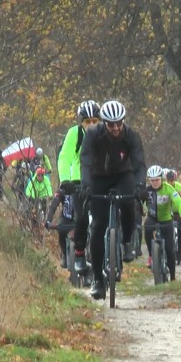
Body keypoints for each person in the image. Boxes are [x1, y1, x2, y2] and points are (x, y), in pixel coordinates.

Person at [79, 100, 146, 300]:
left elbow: (139, 164)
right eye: (111, 124)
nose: (115, 128)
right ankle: (98, 280)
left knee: (127, 202)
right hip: (99, 177)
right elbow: (85, 161)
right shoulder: (92, 134)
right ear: (104, 123)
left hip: (123, 175)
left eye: (119, 123)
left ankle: (126, 242)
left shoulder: (132, 136)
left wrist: (140, 186)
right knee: (98, 226)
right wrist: (86, 185)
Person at [60, 100, 101, 276]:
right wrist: (65, 180)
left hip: (101, 181)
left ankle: (115, 250)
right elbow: (64, 158)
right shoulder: (74, 134)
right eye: (87, 122)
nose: (91, 125)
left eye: (95, 121)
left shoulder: (106, 134)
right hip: (78, 183)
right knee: (82, 219)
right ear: (81, 122)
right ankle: (79, 254)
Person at [141, 165, 181, 281]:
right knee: (147, 229)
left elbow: (178, 202)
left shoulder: (168, 189)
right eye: (152, 180)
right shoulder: (147, 191)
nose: (155, 183)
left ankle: (172, 276)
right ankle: (151, 256)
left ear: (161, 178)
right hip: (152, 217)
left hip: (166, 219)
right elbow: (138, 203)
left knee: (169, 249)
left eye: (157, 180)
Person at [165, 168, 181, 264]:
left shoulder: (179, 187)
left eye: (172, 180)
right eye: (168, 180)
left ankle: (179, 251)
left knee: (180, 231)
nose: (170, 182)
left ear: (175, 179)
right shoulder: (164, 186)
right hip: (167, 212)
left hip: (177, 212)